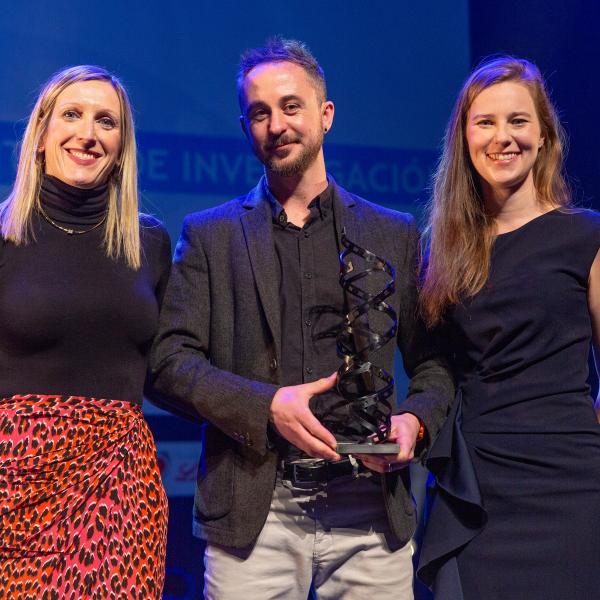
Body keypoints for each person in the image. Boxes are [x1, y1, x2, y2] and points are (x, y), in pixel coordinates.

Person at [150, 37, 453, 599]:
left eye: (291, 106)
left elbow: (434, 365)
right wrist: (265, 406)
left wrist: (416, 422)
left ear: (325, 115)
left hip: (371, 510)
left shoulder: (393, 234)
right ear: (246, 128)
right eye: (260, 113)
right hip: (254, 513)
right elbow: (169, 364)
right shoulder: (211, 235)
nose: (277, 124)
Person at [417, 56, 600, 599]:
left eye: (518, 121)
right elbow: (437, 371)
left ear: (544, 136)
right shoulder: (444, 251)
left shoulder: (586, 235)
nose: (503, 137)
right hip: (478, 489)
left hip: (572, 486)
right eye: (486, 122)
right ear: (465, 138)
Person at [0, 65, 171, 599]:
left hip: (116, 483)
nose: (88, 134)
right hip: (12, 481)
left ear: (121, 147)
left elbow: (173, 367)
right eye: (72, 115)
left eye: (106, 121)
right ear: (41, 133)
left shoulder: (150, 243)